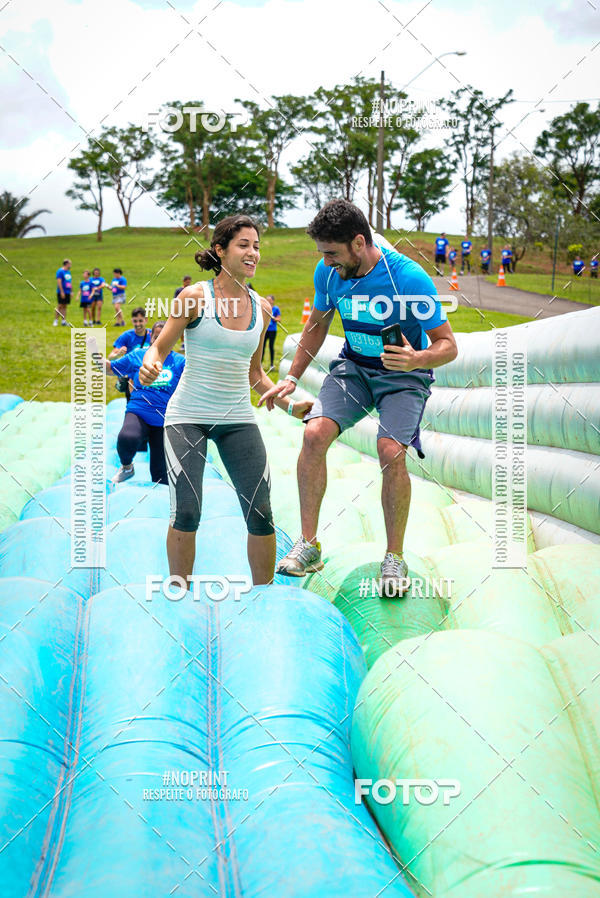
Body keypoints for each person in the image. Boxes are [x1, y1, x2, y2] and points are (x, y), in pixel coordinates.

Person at [260, 199, 457, 595]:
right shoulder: (328, 272)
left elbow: (448, 345)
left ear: (358, 243)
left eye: (332, 253)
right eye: (322, 254)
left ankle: (394, 558)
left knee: (390, 451)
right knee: (313, 434)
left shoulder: (408, 278)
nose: (326, 262)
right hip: (353, 368)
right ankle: (309, 545)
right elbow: (317, 325)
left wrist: (416, 359)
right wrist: (293, 377)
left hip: (402, 375)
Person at [138, 214, 313, 587]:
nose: (253, 253)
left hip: (237, 419)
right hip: (188, 417)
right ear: (220, 250)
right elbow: (160, 347)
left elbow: (255, 374)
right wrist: (150, 363)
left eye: (257, 246)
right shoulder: (194, 297)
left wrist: (291, 405)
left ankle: (264, 596)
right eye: (244, 245)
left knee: (260, 511)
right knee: (187, 511)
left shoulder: (262, 308)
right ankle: (179, 594)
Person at [100, 321, 185, 484]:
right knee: (127, 438)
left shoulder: (180, 362)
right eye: (156, 337)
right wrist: (95, 357)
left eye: (164, 337)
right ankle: (127, 467)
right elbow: (111, 368)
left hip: (165, 419)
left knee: (160, 475)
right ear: (151, 337)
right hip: (139, 411)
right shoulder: (138, 355)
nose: (160, 340)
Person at [261, 294, 281, 370]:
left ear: (273, 301)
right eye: (267, 300)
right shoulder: (264, 308)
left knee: (271, 346)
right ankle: (260, 364)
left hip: (272, 330)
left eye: (269, 300)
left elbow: (279, 319)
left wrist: (273, 318)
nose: (268, 301)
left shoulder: (276, 309)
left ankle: (272, 365)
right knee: (262, 347)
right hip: (265, 330)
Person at [54, 259, 72, 326]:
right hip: (62, 291)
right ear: (66, 264)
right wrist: (62, 291)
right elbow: (59, 282)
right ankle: (55, 321)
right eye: (70, 264)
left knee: (65, 306)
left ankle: (63, 321)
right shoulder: (60, 271)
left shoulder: (68, 272)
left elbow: (69, 282)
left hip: (67, 291)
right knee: (60, 306)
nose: (70, 265)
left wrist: (71, 291)